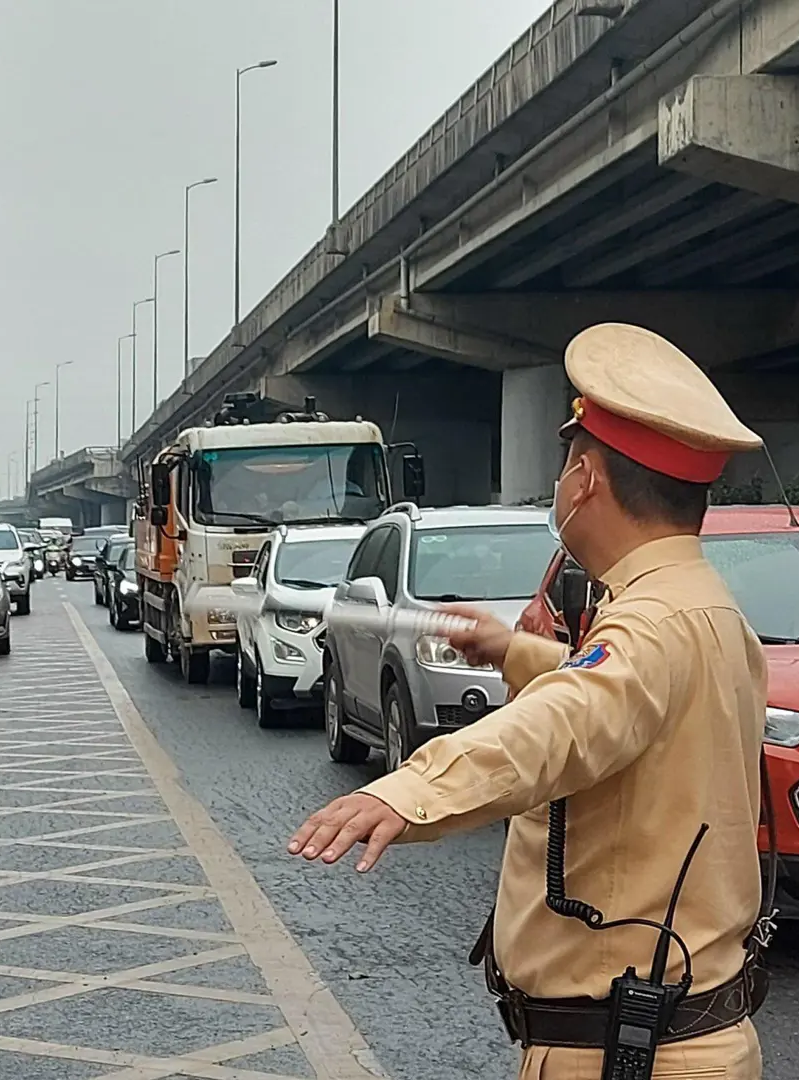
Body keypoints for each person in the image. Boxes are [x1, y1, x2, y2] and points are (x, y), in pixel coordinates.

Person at [289, 323, 771, 1079]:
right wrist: (517, 652)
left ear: (584, 478)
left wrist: (412, 787)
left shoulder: (648, 625)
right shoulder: (696, 609)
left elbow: (560, 727)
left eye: (565, 467)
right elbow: (636, 706)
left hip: (631, 1052)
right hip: (675, 1036)